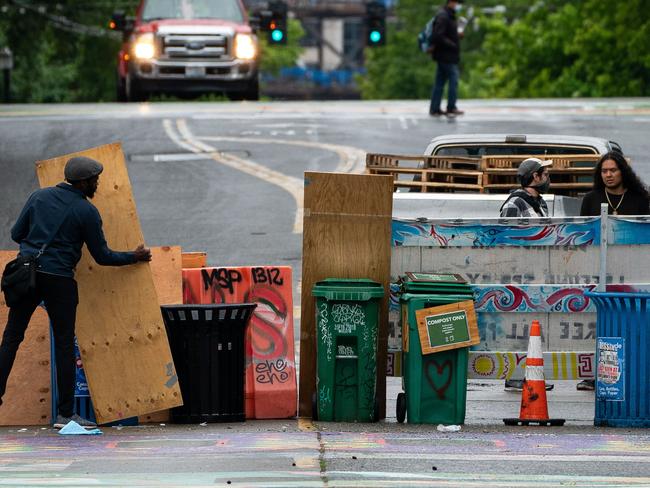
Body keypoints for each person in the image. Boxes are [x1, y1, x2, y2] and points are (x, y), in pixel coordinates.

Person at [0, 156, 152, 428]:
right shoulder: (87, 211)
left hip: (28, 274)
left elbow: (16, 233)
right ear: (82, 182)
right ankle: (65, 415)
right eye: (94, 179)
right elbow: (102, 256)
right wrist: (135, 256)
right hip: (59, 280)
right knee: (63, 343)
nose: (97, 182)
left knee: (12, 337)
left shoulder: (39, 197)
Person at [577, 151, 650, 391]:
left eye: (613, 170)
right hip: (598, 271)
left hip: (634, 272)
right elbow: (583, 237)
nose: (608, 175)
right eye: (604, 171)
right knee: (597, 322)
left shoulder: (641, 198)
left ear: (623, 172)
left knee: (631, 321)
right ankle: (595, 373)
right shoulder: (591, 198)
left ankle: (633, 370)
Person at [500, 157, 554, 391]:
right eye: (544, 173)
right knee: (517, 326)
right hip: (519, 275)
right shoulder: (516, 203)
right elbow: (504, 238)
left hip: (537, 274)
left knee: (533, 326)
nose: (546, 177)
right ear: (534, 176)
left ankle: (530, 373)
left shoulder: (539, 202)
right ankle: (514, 373)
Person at [429, 0, 464, 117]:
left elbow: (446, 34)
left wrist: (457, 35)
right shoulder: (443, 16)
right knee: (454, 79)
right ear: (451, 2)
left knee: (439, 82)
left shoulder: (449, 16)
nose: (458, 5)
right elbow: (437, 36)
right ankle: (451, 107)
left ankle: (435, 108)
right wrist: (452, 44)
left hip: (446, 55)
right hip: (445, 55)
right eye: (457, 2)